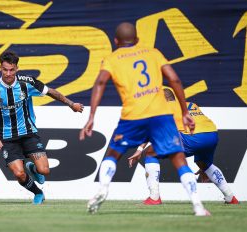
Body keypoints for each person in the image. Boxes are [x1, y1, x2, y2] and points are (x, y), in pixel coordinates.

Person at [79, 22, 210, 216]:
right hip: (161, 115)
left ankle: (103, 188)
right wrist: (184, 111)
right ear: (138, 39)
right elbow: (174, 80)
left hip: (133, 115)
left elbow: (100, 82)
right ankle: (197, 204)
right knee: (178, 158)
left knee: (113, 154)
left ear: (115, 41)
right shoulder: (153, 53)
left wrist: (91, 116)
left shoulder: (111, 59)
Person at [0, 50, 84, 205]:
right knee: (19, 174)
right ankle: (38, 193)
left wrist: (71, 104)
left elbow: (50, 92)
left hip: (28, 132)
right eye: (5, 70)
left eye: (11, 70)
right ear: (0, 68)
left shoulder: (27, 82)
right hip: (7, 138)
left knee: (44, 171)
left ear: (17, 69)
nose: (8, 73)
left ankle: (32, 167)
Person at [128, 87, 239, 205]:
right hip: (212, 135)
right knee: (204, 164)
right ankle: (230, 198)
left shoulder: (163, 108)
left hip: (192, 138)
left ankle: (154, 197)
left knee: (150, 152)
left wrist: (139, 150)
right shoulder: (191, 104)